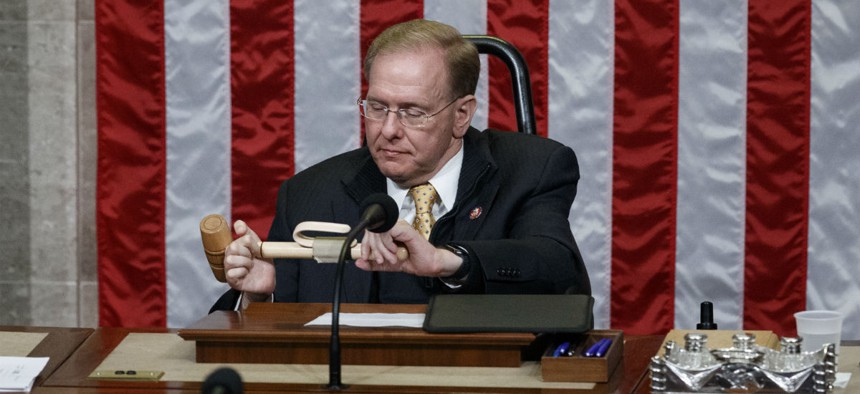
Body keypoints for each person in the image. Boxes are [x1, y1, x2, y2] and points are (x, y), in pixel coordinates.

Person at [211, 19, 590, 311]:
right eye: (377, 108)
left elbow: (560, 273)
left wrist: (448, 261)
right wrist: (261, 297)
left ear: (461, 115)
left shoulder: (531, 169)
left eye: (412, 112)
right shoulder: (310, 193)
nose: (388, 130)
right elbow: (274, 339)